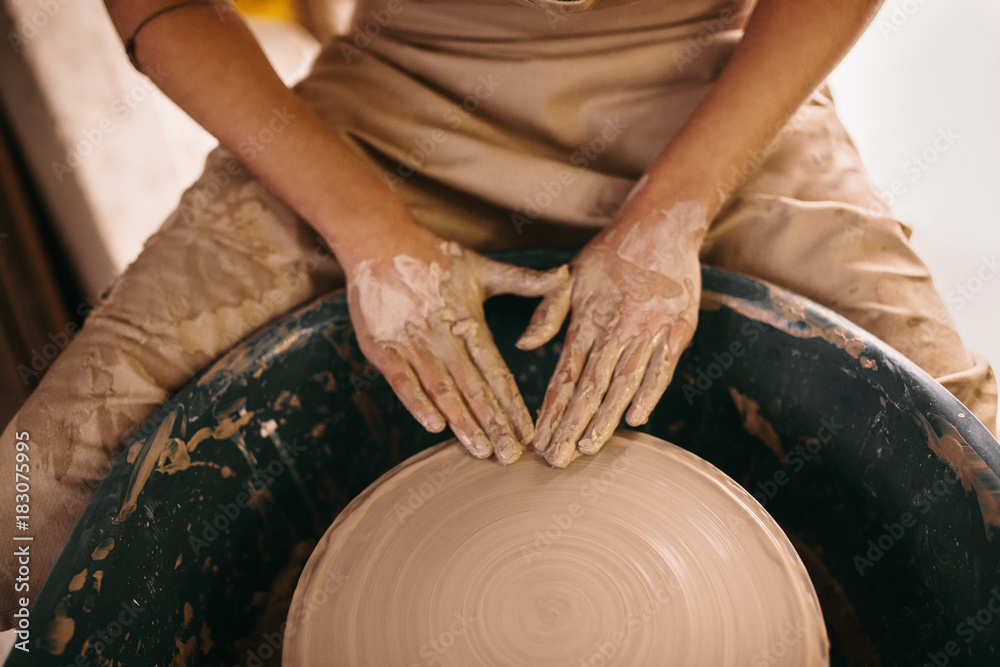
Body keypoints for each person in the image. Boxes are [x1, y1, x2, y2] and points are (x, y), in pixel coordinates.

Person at [2, 0, 996, 630]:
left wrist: (678, 205)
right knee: (28, 483)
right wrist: (367, 234)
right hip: (400, 92)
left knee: (971, 472)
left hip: (712, 86)